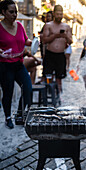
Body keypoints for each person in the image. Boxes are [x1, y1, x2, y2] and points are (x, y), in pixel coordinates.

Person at [0, 0, 32, 129]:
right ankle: (8, 117)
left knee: (28, 89)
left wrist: (32, 42)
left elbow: (25, 40)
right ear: (3, 12)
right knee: (8, 93)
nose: (14, 15)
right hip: (4, 66)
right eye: (11, 12)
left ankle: (19, 113)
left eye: (16, 12)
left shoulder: (19, 25)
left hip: (19, 64)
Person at [43, 5, 72, 93]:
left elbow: (70, 41)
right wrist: (55, 35)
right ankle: (49, 93)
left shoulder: (66, 26)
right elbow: (44, 40)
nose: (59, 16)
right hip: (50, 54)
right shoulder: (48, 25)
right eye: (57, 14)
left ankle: (59, 96)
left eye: (61, 14)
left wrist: (65, 36)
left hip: (60, 55)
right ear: (54, 14)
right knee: (48, 76)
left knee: (59, 78)